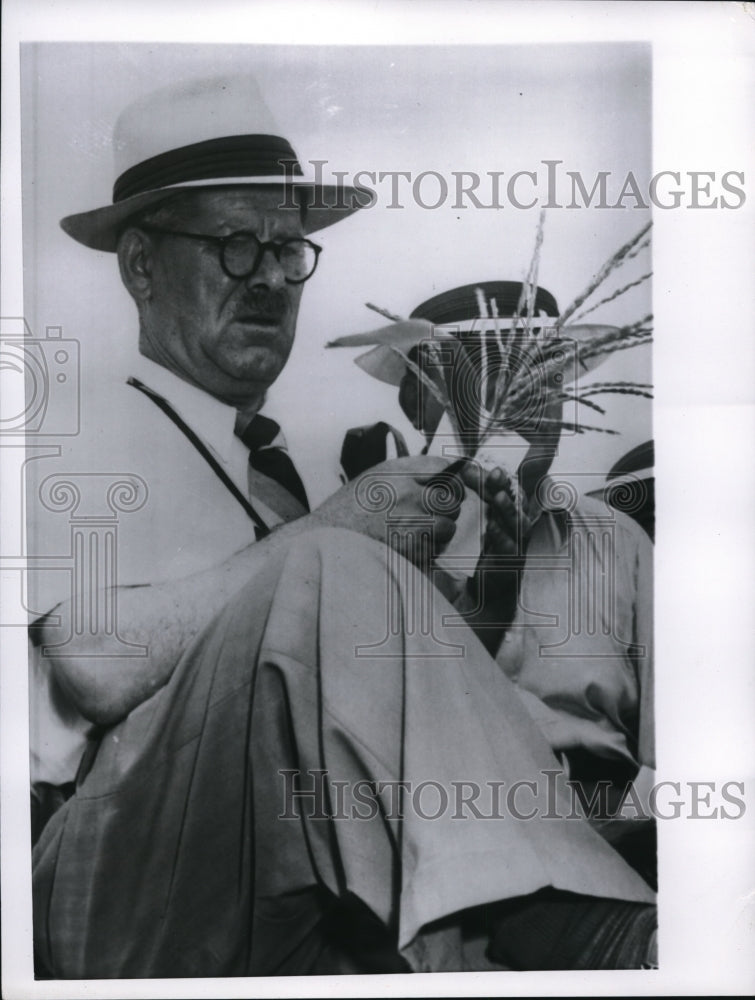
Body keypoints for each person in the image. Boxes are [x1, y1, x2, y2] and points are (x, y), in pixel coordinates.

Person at [29, 74, 656, 978]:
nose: (272, 282)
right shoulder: (73, 427)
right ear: (138, 264)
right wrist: (344, 532)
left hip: (277, 879)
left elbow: (373, 702)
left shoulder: (298, 468)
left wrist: (484, 586)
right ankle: (566, 923)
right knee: (331, 567)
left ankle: (548, 923)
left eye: (289, 253)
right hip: (108, 878)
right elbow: (94, 664)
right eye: (235, 247)